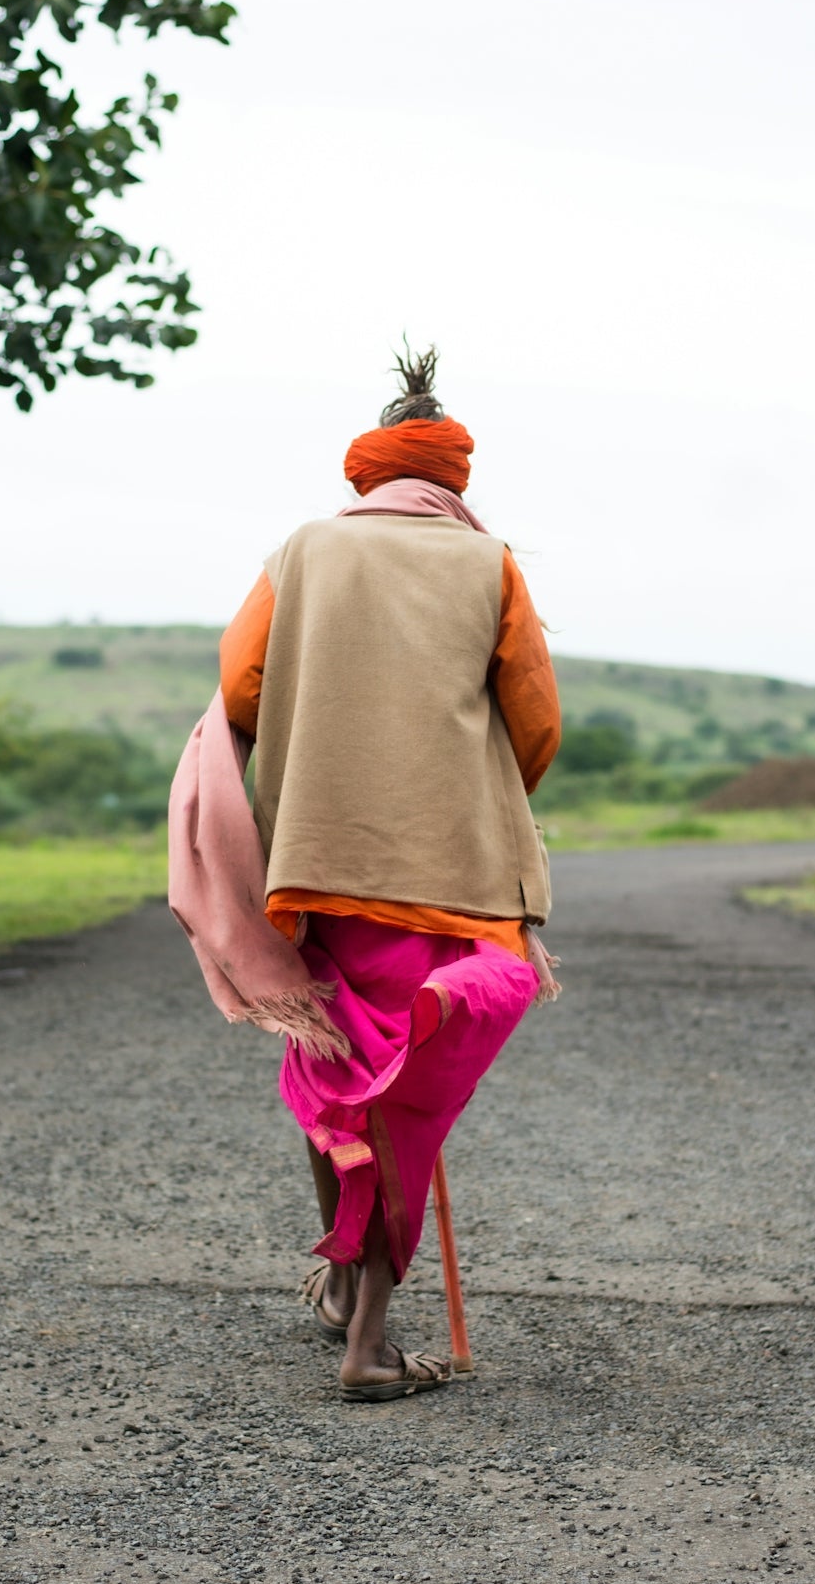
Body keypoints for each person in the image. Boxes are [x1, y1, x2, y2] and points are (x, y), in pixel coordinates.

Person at [215, 346, 561, 1402]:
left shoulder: (306, 550)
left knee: (332, 1074)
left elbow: (239, 686)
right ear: (452, 479)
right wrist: (473, 785)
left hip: (313, 868)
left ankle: (339, 1290)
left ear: (367, 474)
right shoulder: (491, 561)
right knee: (399, 1097)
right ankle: (366, 1343)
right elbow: (536, 724)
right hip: (450, 877)